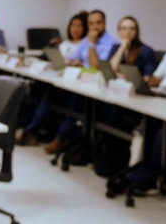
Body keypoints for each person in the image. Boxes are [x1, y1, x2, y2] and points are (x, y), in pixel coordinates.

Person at [44, 10, 116, 155]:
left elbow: (96, 66)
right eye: (91, 23)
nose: (95, 27)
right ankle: (35, 131)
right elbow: (73, 60)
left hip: (98, 88)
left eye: (98, 23)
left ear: (105, 24)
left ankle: (62, 138)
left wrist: (91, 44)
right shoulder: (85, 40)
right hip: (80, 82)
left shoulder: (112, 43)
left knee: (76, 102)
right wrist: (77, 62)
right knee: (49, 92)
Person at [22, 10, 88, 146]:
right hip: (57, 80)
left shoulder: (85, 45)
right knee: (43, 93)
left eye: (79, 26)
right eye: (73, 25)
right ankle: (31, 130)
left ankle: (42, 133)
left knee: (52, 97)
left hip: (74, 85)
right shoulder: (63, 44)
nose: (75, 29)